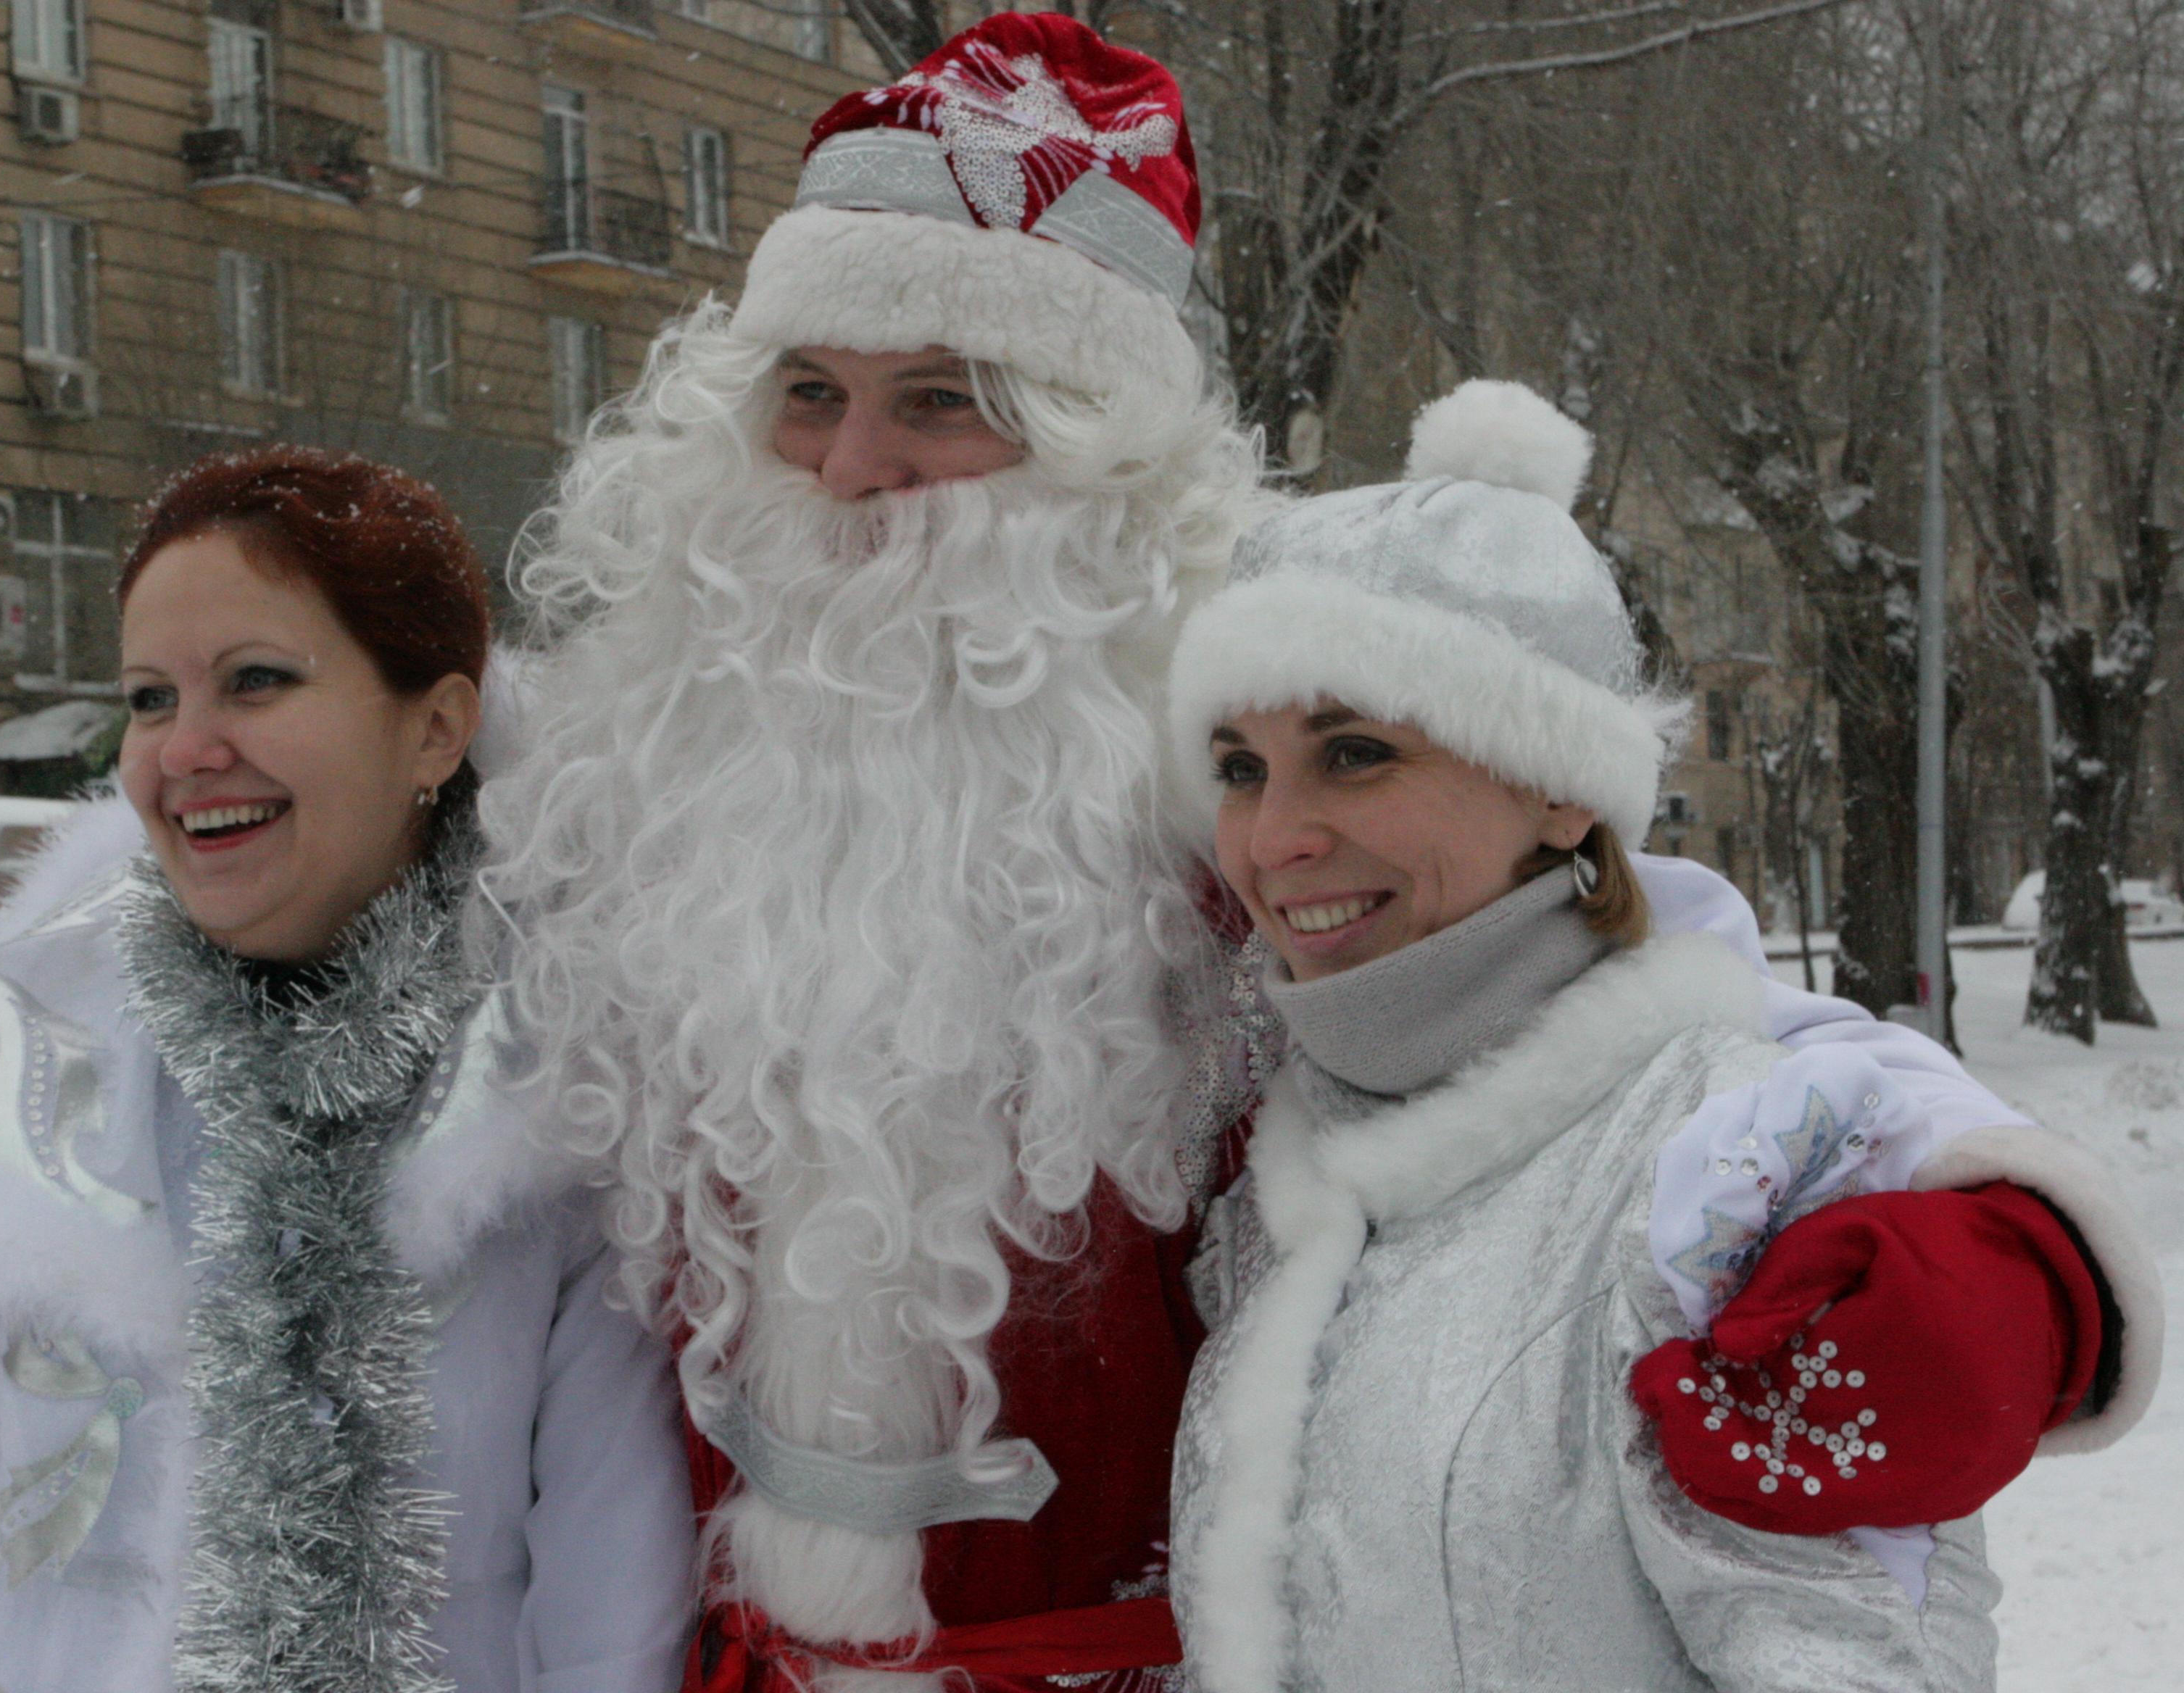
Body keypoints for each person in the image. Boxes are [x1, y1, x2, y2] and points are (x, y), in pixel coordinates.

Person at [482, 16, 2154, 1693]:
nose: (852, 471)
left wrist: (1998, 1244)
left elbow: (1619, 963)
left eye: (941, 402)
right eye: (810, 396)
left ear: (1096, 463)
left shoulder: (1227, 751)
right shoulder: (640, 773)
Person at [1162, 382, 2159, 1690]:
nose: (1274, 836)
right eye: (1239, 766)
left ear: (1565, 790)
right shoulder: (1270, 1190)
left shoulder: (1722, 1183)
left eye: (1354, 753)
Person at [0, 447, 693, 1693]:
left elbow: (619, 1607)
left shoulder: (572, 1079)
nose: (186, 749)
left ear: (437, 726)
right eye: (151, 698)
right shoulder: (25, 1058)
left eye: (257, 682)